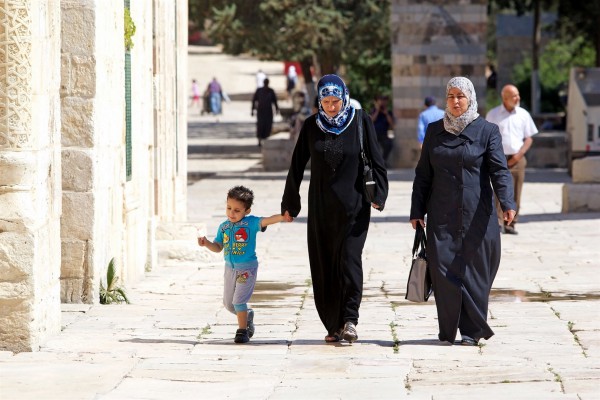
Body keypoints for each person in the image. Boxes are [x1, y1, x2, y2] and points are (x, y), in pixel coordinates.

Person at [281, 74, 388, 344]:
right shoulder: (310, 126)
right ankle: (334, 323)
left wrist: (380, 195)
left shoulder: (360, 121)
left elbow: (377, 159)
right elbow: (296, 167)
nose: (331, 106)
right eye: (326, 101)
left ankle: (350, 319)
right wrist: (290, 204)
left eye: (335, 100)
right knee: (325, 264)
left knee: (350, 261)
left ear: (344, 97)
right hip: (321, 209)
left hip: (354, 206)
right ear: (319, 100)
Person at [410, 77, 516, 346]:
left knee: (476, 272)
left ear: (470, 99)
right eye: (451, 96)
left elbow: (499, 172)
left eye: (461, 97)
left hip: (478, 216)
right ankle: (448, 330)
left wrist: (507, 203)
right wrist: (416, 210)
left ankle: (472, 331)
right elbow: (423, 175)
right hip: (442, 216)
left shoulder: (487, 131)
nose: (456, 102)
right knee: (444, 273)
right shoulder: (435, 131)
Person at [198, 186, 292, 344]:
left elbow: (268, 219)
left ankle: (242, 331)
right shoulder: (224, 227)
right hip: (230, 269)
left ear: (246, 211)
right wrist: (206, 243)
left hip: (247, 269)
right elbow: (218, 247)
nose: (231, 213)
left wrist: (283, 217)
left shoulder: (251, 223)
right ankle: (247, 315)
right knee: (228, 304)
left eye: (237, 210)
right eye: (229, 208)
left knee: (238, 301)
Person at [486, 84, 537, 235]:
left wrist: (519, 155)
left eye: (518, 95)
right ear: (505, 98)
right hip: (498, 158)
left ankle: (511, 224)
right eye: (514, 96)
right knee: (497, 191)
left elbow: (529, 138)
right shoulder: (493, 114)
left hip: (517, 158)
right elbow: (487, 137)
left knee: (516, 192)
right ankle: (497, 222)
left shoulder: (523, 114)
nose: (518, 98)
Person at [251, 78, 279, 147]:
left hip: (268, 112)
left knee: (268, 126)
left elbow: (275, 101)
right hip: (261, 112)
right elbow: (254, 100)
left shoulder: (271, 91)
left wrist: (277, 109)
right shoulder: (259, 91)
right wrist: (252, 110)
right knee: (260, 126)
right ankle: (260, 141)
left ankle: (266, 140)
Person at [369, 95, 395, 166]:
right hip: (374, 134)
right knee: (373, 148)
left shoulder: (388, 112)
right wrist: (377, 111)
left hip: (384, 134)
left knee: (389, 144)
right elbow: (371, 121)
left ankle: (383, 161)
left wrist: (386, 114)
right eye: (381, 100)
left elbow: (392, 124)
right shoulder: (373, 110)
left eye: (384, 100)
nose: (383, 102)